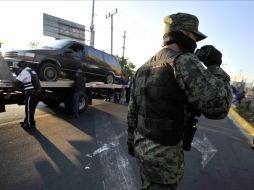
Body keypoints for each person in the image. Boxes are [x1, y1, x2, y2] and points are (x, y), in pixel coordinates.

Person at [127, 12, 232, 189]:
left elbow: (132, 112)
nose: (195, 42)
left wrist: (131, 142)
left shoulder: (143, 67)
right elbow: (218, 107)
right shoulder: (183, 61)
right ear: (181, 33)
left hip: (142, 148)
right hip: (164, 159)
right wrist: (215, 67)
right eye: (193, 36)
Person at [15, 61, 41, 129]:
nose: (18, 69)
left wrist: (16, 87)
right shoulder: (32, 71)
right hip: (36, 93)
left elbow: (17, 81)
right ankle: (27, 121)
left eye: (19, 67)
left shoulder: (25, 72)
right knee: (30, 109)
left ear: (22, 67)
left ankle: (30, 124)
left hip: (31, 93)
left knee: (29, 109)